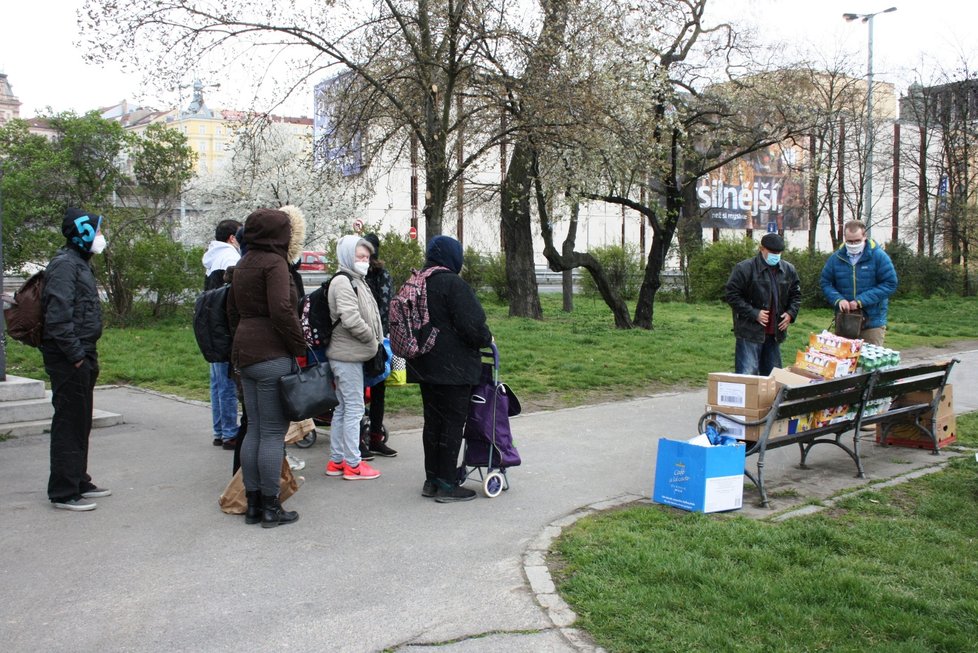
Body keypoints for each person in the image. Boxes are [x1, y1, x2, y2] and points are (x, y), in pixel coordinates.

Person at [227, 208, 307, 528]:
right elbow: (282, 309)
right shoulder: (275, 263)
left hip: (245, 351)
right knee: (273, 433)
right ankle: (272, 508)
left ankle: (253, 504)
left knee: (255, 430)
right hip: (272, 352)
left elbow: (231, 310)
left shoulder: (243, 262)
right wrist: (298, 344)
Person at [407, 236, 493, 503]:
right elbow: (473, 326)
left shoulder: (418, 281)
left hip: (424, 365)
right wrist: (486, 339)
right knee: (452, 424)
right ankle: (447, 484)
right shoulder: (453, 284)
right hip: (453, 370)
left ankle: (431, 480)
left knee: (432, 423)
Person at [41, 208, 110, 511]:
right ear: (82, 233)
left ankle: (78, 479)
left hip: (82, 352)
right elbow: (57, 317)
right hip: (70, 356)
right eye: (95, 231)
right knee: (69, 421)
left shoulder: (78, 263)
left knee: (81, 419)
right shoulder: (65, 265)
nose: (99, 237)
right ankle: (63, 491)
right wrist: (76, 356)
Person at [324, 235, 385, 481]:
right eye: (360, 257)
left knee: (342, 408)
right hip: (347, 354)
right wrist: (372, 339)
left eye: (367, 257)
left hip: (348, 353)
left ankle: (337, 460)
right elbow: (350, 318)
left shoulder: (355, 279)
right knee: (354, 409)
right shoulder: (343, 282)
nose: (365, 261)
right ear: (349, 256)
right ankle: (353, 463)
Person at [723, 232, 801, 376]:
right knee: (747, 375)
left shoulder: (788, 270)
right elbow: (731, 295)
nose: (775, 255)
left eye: (778, 252)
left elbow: (796, 295)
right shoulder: (744, 268)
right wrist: (754, 313)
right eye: (772, 252)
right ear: (761, 248)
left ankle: (768, 400)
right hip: (749, 331)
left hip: (775, 333)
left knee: (773, 377)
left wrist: (791, 313)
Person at [820, 220, 898, 346]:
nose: (853, 244)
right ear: (844, 238)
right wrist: (838, 299)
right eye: (850, 241)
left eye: (857, 241)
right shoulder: (835, 258)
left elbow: (890, 283)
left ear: (864, 237)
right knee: (844, 363)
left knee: (870, 364)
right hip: (845, 321)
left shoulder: (879, 256)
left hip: (872, 322)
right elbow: (826, 282)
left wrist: (860, 301)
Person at [202, 219, 242, 449]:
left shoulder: (212, 256)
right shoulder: (230, 258)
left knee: (217, 382)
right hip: (224, 326)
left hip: (210, 324)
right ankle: (229, 433)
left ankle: (219, 430)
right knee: (227, 381)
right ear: (232, 238)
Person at [362, 232, 397, 458]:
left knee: (373, 390)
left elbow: (385, 309)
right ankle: (369, 438)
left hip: (374, 340)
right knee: (374, 391)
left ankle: (371, 438)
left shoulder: (379, 275)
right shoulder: (361, 275)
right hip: (372, 340)